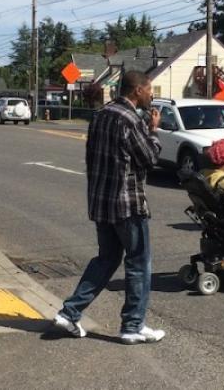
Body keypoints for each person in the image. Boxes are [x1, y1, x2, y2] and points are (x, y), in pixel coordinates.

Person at [53, 70, 166, 345]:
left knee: (107, 259)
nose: (152, 95)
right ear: (137, 90)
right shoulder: (131, 119)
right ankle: (132, 326)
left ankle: (70, 312)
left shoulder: (101, 115)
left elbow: (92, 157)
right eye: (150, 90)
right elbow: (149, 158)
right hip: (127, 203)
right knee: (139, 263)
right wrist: (153, 131)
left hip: (101, 202)